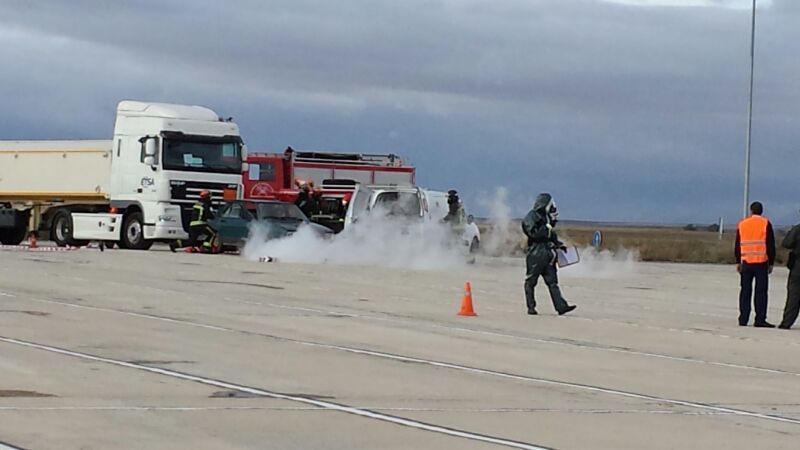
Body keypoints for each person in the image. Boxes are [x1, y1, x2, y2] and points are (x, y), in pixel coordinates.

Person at [522, 193, 577, 316]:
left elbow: (550, 234)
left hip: (547, 253)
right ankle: (531, 307)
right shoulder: (532, 216)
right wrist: (547, 230)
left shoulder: (545, 218)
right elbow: (533, 232)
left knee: (552, 282)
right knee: (531, 281)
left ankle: (561, 306)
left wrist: (558, 244)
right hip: (536, 253)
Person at [735, 201, 776, 327]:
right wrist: (771, 262)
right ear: (761, 211)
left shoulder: (742, 224)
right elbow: (770, 244)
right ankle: (760, 319)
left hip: (746, 263)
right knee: (761, 292)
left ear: (751, 211)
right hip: (761, 262)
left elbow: (737, 244)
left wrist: (738, 261)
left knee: (745, 291)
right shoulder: (765, 223)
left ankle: (743, 318)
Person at [779, 217, 800, 329]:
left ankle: (787, 322)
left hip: (797, 267)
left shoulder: (797, 229)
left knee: (793, 296)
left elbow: (787, 243)